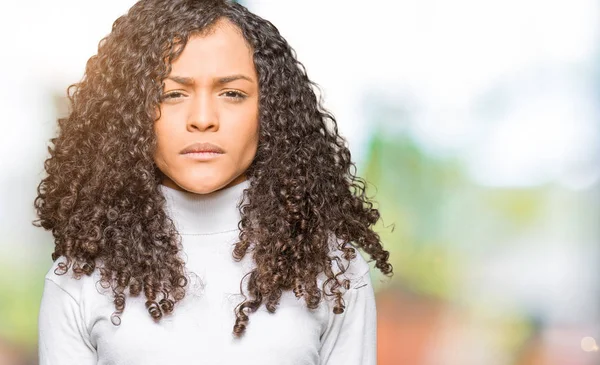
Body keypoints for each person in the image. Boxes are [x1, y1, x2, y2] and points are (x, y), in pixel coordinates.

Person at [34, 0, 393, 364]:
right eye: (172, 94)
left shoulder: (334, 269)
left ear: (269, 110)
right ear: (132, 113)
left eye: (232, 93)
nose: (203, 119)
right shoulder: (78, 278)